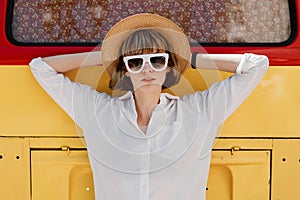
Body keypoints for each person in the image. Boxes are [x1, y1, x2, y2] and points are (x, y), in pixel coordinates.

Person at [29, 13, 269, 200]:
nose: (147, 69)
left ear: (168, 67)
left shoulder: (198, 112)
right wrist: (107, 57)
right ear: (125, 69)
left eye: (157, 60)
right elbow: (40, 67)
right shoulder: (97, 112)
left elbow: (257, 65)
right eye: (135, 62)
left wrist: (189, 58)